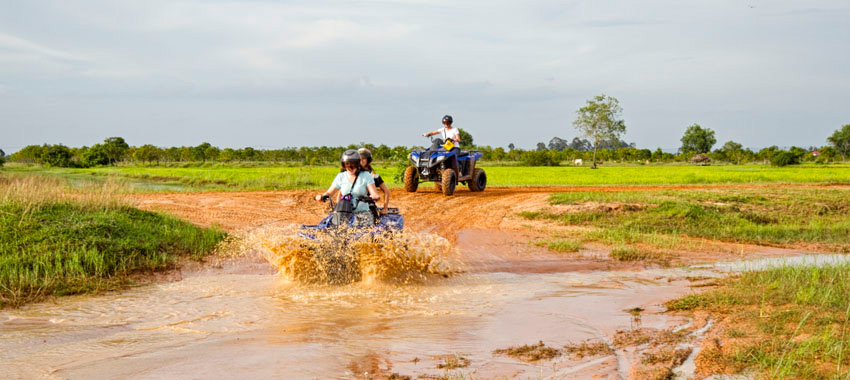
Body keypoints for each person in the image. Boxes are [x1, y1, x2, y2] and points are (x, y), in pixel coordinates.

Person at [315, 149, 381, 226]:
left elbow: (374, 193)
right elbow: (329, 193)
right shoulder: (341, 176)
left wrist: (374, 196)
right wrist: (321, 196)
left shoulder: (366, 176)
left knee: (360, 231)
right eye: (347, 164)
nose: (350, 167)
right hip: (343, 213)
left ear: (358, 164)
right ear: (344, 165)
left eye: (353, 164)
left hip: (362, 214)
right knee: (328, 226)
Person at [358, 148, 390, 215]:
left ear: (368, 160)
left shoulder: (373, 175)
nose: (361, 161)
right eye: (359, 159)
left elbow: (386, 191)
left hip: (368, 205)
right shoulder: (352, 174)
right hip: (352, 204)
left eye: (363, 158)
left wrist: (385, 208)